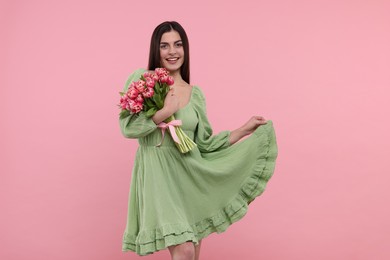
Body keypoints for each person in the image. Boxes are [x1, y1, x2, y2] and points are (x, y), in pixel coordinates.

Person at [120, 21, 278, 259]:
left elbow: (204, 144)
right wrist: (164, 111)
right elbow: (128, 127)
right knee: (183, 249)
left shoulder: (195, 94)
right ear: (156, 50)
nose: (172, 51)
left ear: (186, 49)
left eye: (178, 44)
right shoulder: (143, 78)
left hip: (190, 178)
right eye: (165, 46)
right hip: (158, 174)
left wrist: (244, 129)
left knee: (191, 254)